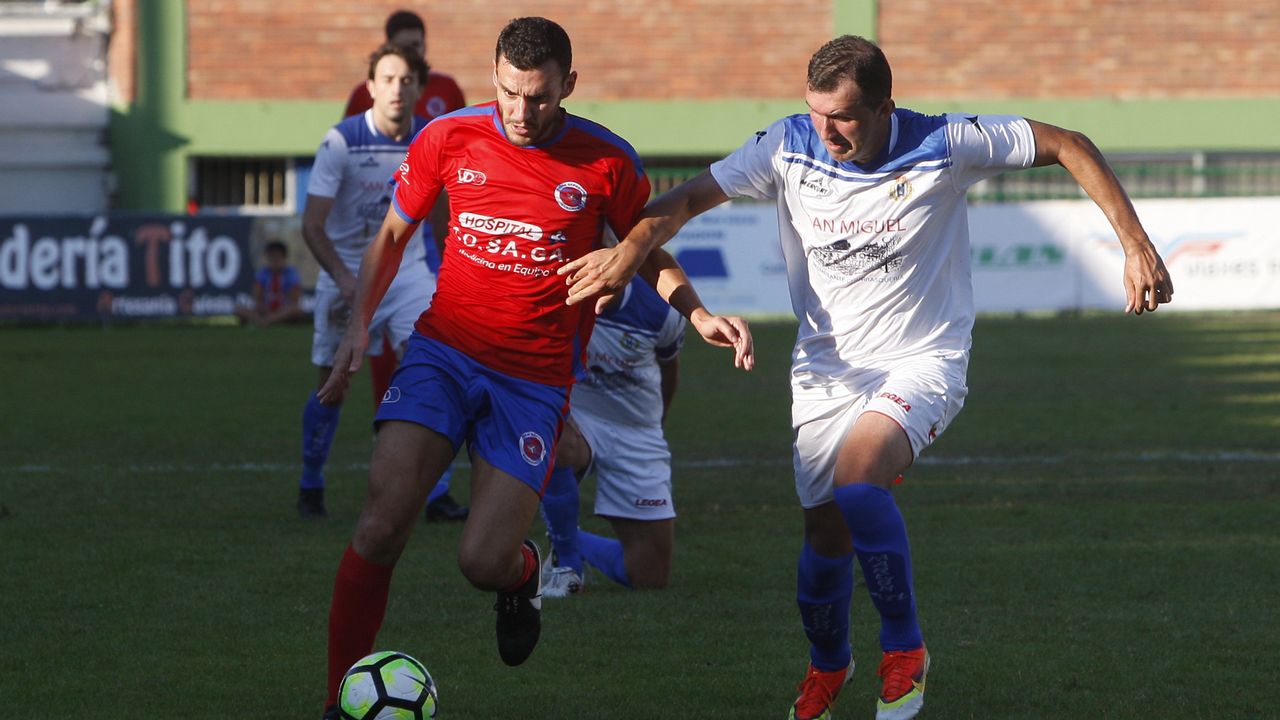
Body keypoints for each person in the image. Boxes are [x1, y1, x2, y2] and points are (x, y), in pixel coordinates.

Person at [559, 35, 1174, 720]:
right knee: (824, 536)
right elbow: (685, 199)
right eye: (816, 112)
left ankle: (904, 654)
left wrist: (1136, 244)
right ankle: (829, 664)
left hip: (924, 359)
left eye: (844, 117)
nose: (826, 131)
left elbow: (1069, 142)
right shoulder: (786, 144)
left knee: (859, 480)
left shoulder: (947, 142)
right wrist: (632, 248)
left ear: (884, 105)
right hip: (826, 371)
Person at [315, 17, 751, 719]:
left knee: (480, 562)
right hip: (443, 352)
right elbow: (392, 233)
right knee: (379, 524)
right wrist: (357, 329)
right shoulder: (448, 136)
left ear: (568, 86)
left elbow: (645, 250)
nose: (522, 111)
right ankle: (339, 699)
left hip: (533, 382)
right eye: (511, 93)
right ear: (494, 75)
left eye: (540, 97)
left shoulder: (605, 161)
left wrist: (697, 313)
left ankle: (520, 577)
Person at [297, 43, 436, 519]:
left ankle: (436, 496)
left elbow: (442, 217)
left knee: (431, 375)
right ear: (371, 87)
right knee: (331, 384)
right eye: (388, 79)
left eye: (406, 79)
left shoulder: (432, 140)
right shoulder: (342, 141)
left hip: (407, 276)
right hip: (347, 278)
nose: (397, 88)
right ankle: (311, 480)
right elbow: (312, 225)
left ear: (420, 87)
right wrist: (343, 278)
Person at [341, 8, 470, 522]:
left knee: (429, 355)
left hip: (434, 245)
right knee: (375, 360)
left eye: (419, 45)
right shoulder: (365, 95)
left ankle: (435, 486)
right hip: (386, 239)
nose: (412, 55)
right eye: (404, 46)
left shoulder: (446, 91)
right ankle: (389, 470)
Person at [540, 274, 687, 597]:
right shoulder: (553, 296)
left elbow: (669, 370)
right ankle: (567, 565)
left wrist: (655, 427)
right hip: (579, 416)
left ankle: (566, 536)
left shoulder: (662, 308)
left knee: (649, 576)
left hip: (637, 429)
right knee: (555, 439)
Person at [234, 240, 304, 327]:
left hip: (283, 311)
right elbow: (257, 298)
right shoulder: (262, 273)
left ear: (284, 258)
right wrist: (264, 308)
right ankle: (268, 320)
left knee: (295, 310)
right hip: (266, 310)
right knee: (239, 310)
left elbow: (294, 301)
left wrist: (279, 312)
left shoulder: (291, 274)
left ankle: (266, 321)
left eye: (277, 258)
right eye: (271, 258)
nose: (274, 261)